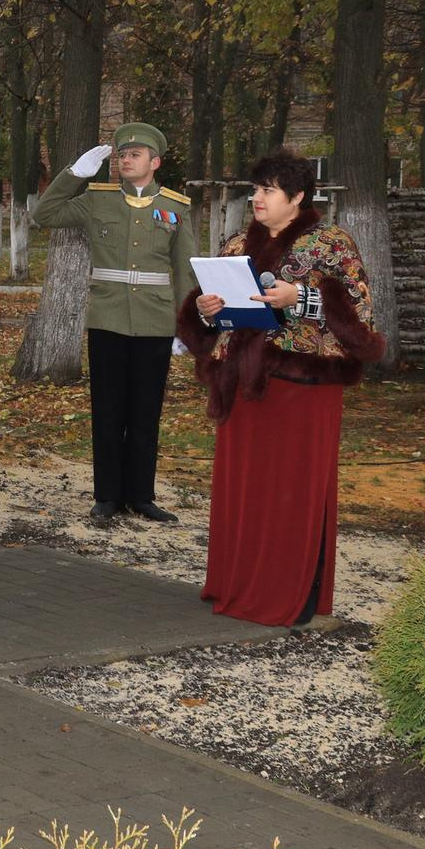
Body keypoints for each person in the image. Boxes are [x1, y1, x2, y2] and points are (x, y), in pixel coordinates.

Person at [175, 150, 385, 627]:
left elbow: (362, 323)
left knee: (292, 494)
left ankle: (289, 593)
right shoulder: (235, 245)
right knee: (245, 490)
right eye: (255, 190)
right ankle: (238, 582)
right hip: (242, 387)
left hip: (302, 387)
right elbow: (207, 325)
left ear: (298, 197)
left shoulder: (331, 244)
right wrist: (206, 311)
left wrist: (303, 298)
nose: (258, 198)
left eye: (268, 190)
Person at [29, 119, 198, 523]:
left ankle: (142, 496)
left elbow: (184, 269)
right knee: (107, 411)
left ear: (154, 162)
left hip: (155, 320)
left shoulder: (175, 207)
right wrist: (74, 175)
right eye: (121, 154)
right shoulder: (97, 200)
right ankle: (106, 495)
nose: (125, 159)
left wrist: (186, 324)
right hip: (106, 317)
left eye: (134, 154)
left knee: (145, 413)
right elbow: (45, 214)